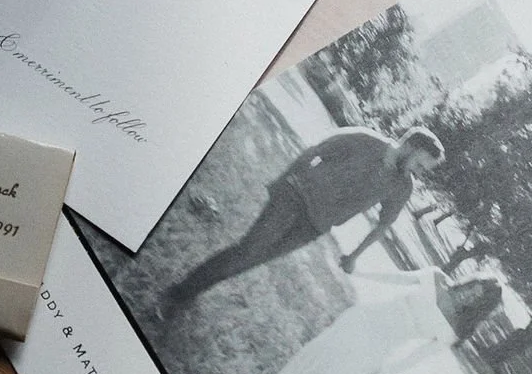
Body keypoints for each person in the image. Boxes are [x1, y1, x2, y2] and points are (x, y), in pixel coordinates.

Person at [161, 124, 446, 314]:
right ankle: (178, 295)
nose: (419, 172)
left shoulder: (402, 186)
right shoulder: (365, 141)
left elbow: (384, 225)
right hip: (294, 196)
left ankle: (192, 291)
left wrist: (354, 255)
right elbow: (315, 151)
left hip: (313, 226)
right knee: (247, 251)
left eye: (424, 169)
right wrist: (282, 181)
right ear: (409, 146)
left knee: (252, 259)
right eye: (420, 164)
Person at [256, 265, 505, 374]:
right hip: (367, 318)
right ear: (471, 281)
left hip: (380, 346)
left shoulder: (454, 330)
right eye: (474, 288)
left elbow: (416, 356)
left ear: (479, 308)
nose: (470, 296)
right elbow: (398, 277)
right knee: (319, 352)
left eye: (477, 299)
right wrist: (359, 271)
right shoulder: (436, 277)